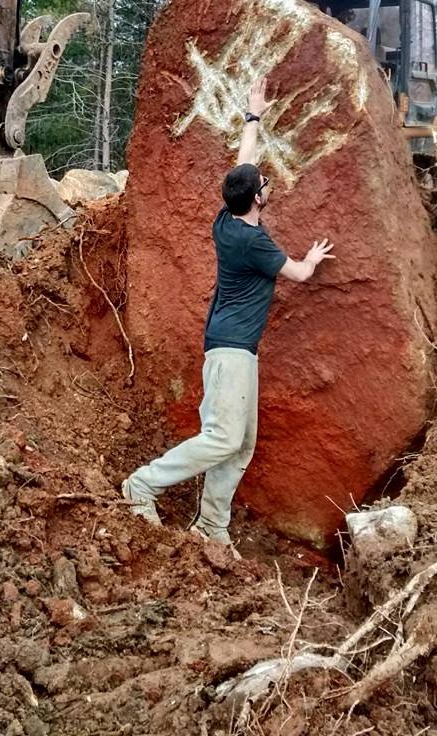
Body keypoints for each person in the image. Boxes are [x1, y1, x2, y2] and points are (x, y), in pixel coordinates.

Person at [122, 77, 334, 555]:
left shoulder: (226, 219)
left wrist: (254, 115)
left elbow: (243, 163)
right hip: (232, 350)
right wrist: (313, 258)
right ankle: (142, 485)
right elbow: (300, 274)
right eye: (265, 184)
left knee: (240, 444)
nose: (267, 184)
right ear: (256, 199)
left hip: (237, 350)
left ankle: (212, 526)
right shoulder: (254, 242)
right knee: (223, 439)